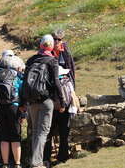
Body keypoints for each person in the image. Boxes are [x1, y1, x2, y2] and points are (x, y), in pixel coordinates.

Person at [20, 35, 67, 168]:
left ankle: (35, 160)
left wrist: (23, 102)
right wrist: (62, 102)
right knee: (43, 132)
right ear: (51, 46)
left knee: (35, 131)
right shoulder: (52, 61)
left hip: (31, 101)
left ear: (40, 45)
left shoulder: (31, 60)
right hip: (46, 100)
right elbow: (56, 83)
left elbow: (24, 82)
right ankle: (37, 163)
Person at [42, 29, 76, 166]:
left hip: (64, 97)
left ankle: (63, 157)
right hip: (50, 97)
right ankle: (46, 158)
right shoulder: (46, 54)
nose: (56, 42)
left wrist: (72, 94)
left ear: (62, 41)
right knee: (48, 130)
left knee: (64, 129)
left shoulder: (66, 54)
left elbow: (72, 74)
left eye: (59, 40)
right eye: (54, 39)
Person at [0, 50, 26, 168]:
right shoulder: (17, 76)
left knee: (4, 136)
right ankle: (17, 164)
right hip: (14, 107)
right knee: (16, 136)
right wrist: (23, 113)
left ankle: (5, 163)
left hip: (0, 107)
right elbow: (22, 92)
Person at [43, 66, 75, 166]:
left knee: (48, 135)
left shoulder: (48, 81)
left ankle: (46, 158)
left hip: (51, 110)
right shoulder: (67, 81)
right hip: (64, 110)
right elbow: (72, 95)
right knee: (64, 135)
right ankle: (63, 157)